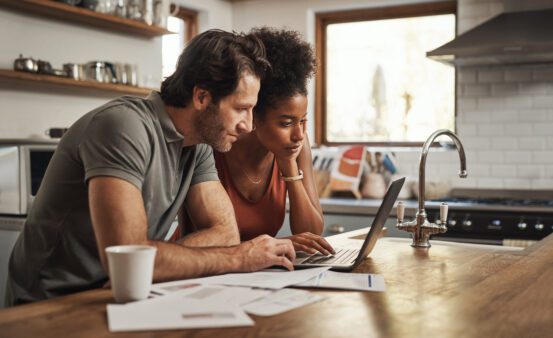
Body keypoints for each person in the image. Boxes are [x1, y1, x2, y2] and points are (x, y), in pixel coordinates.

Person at [5, 29, 296, 306]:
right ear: (202, 97)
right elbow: (130, 257)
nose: (247, 126)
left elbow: (225, 233)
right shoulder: (123, 126)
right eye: (241, 108)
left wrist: (153, 262)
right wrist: (239, 258)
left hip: (123, 292)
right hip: (52, 303)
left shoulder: (199, 144)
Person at [179, 28, 335, 256]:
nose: (299, 134)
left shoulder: (295, 146)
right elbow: (198, 238)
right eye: (285, 123)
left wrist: (289, 165)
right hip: (201, 269)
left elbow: (312, 234)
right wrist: (276, 245)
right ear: (254, 115)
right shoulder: (214, 144)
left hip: (257, 273)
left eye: (303, 121)